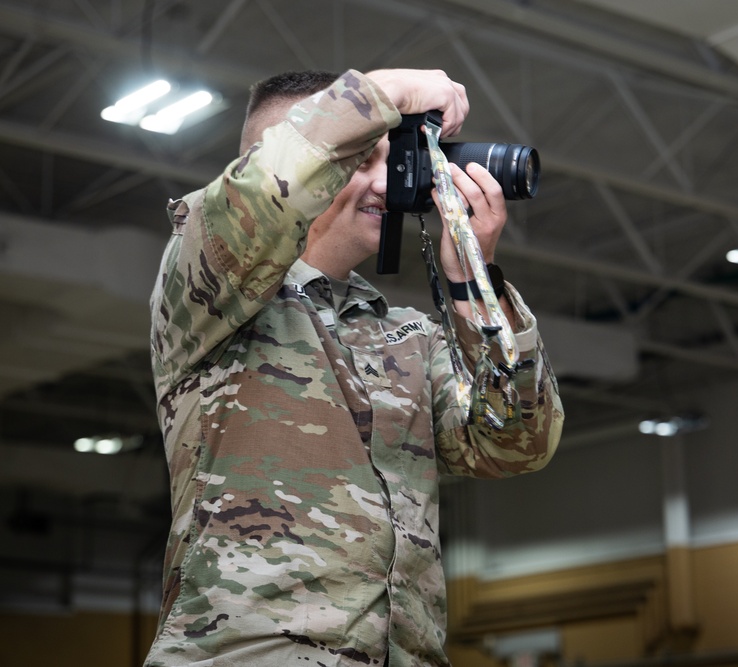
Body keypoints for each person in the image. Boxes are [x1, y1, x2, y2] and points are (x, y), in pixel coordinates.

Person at [144, 67, 563, 667]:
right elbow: (257, 200)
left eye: (389, 163)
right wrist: (386, 91)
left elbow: (517, 442)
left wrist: (473, 278)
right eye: (361, 160)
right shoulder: (206, 293)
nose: (387, 185)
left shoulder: (408, 335)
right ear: (299, 160)